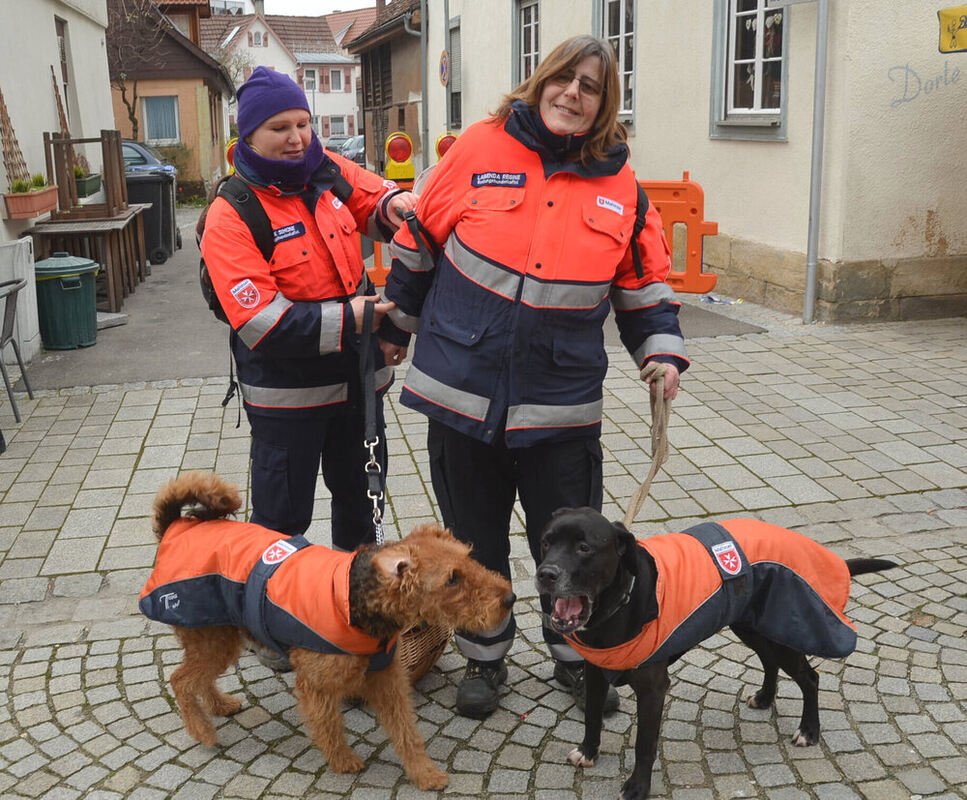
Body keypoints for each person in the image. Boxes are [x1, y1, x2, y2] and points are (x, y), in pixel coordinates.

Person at [379, 36, 689, 718]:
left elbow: (642, 284)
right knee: (473, 542)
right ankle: (485, 661)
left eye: (590, 87)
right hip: (461, 396)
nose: (573, 94)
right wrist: (390, 330)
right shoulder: (479, 149)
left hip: (560, 409)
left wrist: (660, 352)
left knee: (572, 554)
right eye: (564, 79)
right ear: (540, 81)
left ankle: (576, 661)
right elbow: (418, 242)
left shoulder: (621, 186)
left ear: (605, 105)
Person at [200, 66, 417, 556]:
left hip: (357, 390)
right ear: (249, 136)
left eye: (303, 123)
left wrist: (398, 202)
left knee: (363, 516)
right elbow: (263, 324)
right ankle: (276, 622)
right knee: (280, 527)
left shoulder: (326, 171)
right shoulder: (231, 212)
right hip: (286, 405)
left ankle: (356, 618)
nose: (297, 139)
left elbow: (374, 199)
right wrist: (355, 318)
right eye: (280, 128)